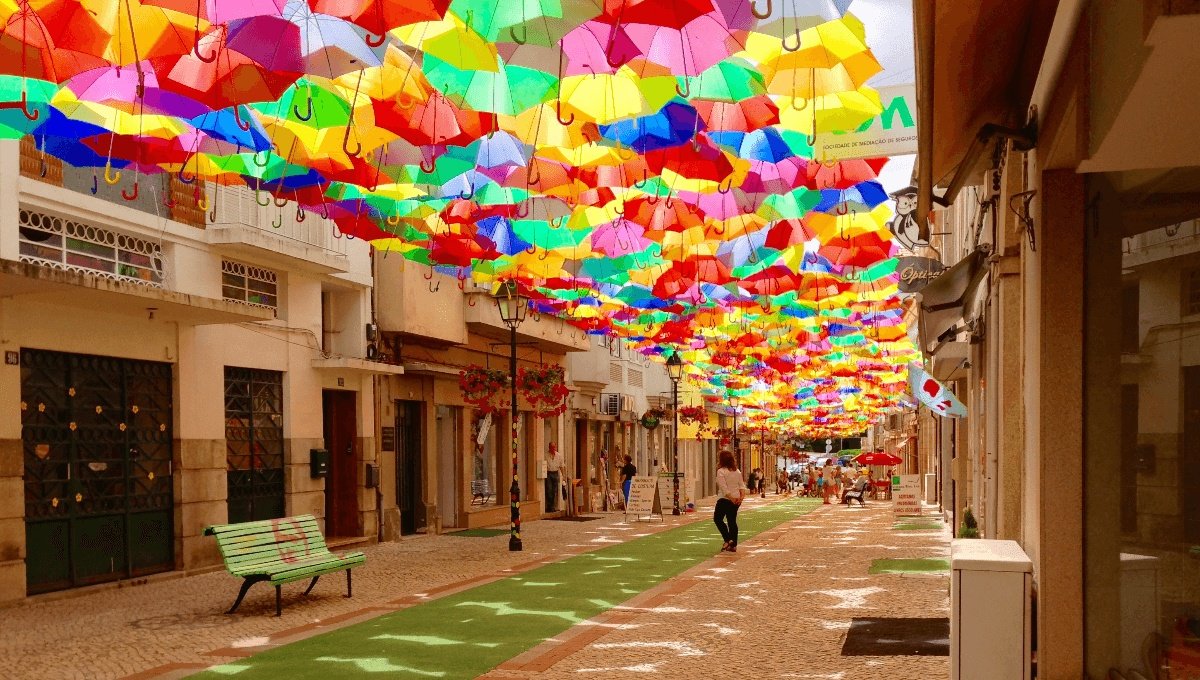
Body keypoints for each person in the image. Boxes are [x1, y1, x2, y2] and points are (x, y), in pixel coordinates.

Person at [714, 450, 746, 552]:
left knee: (718, 519)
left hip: (724, 499)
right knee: (732, 521)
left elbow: (724, 488)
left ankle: (728, 539)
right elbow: (742, 486)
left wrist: (731, 498)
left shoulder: (721, 471)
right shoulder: (737, 471)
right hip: (736, 500)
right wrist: (741, 498)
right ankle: (733, 545)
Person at [545, 442, 562, 513]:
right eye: (552, 447)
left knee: (554, 490)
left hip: (555, 473)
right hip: (548, 473)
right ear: (549, 448)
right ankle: (549, 506)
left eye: (554, 447)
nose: (553, 449)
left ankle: (553, 506)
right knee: (549, 490)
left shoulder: (558, 455)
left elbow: (561, 466)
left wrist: (562, 476)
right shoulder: (546, 455)